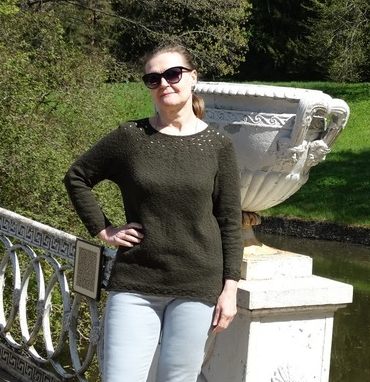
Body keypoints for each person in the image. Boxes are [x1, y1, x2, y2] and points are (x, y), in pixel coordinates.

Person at [64, 44, 243, 382]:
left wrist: (230, 289)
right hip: (135, 282)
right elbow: (77, 177)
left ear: (192, 77)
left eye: (173, 74)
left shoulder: (217, 146)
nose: (164, 83)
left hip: (197, 285)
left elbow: (230, 220)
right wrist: (103, 229)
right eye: (153, 78)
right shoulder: (130, 138)